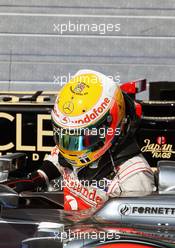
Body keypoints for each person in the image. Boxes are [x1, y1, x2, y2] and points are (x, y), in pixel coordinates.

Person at [8, 69, 156, 210]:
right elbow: (58, 159)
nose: (71, 146)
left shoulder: (133, 178)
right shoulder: (73, 147)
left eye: (80, 138)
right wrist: (37, 178)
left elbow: (129, 233)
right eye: (65, 137)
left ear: (107, 127)